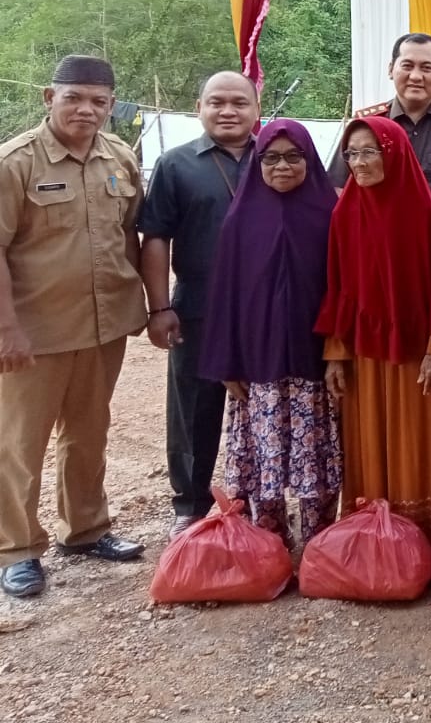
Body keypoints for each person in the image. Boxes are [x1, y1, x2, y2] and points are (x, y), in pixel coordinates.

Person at [0, 57, 147, 599]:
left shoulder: (120, 158)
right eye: (74, 98)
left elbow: (132, 233)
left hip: (102, 324)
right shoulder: (15, 162)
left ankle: (85, 529)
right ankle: (17, 549)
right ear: (48, 97)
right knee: (20, 442)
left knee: (89, 432)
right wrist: (6, 329)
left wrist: (144, 304)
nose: (86, 109)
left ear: (111, 105)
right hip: (33, 333)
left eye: (98, 101)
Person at [199, 120, 341, 547]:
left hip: (313, 362)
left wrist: (338, 351)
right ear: (257, 162)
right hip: (258, 367)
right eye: (271, 157)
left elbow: (343, 287)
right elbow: (224, 297)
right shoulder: (240, 220)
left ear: (310, 160)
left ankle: (319, 542)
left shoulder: (330, 215)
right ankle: (270, 542)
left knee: (317, 458)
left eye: (293, 157)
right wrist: (228, 363)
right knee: (264, 458)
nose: (282, 166)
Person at [138, 71, 260, 538]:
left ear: (255, 109)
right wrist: (159, 306)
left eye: (238, 103)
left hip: (263, 309)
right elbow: (156, 239)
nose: (228, 111)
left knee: (262, 404)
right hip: (200, 305)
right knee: (194, 408)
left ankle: (257, 501)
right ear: (199, 107)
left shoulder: (277, 157)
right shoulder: (175, 165)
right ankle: (189, 504)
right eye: (217, 102)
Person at [317, 117, 431, 548]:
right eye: (351, 154)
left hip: (413, 351)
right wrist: (335, 352)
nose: (358, 162)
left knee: (416, 443)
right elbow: (336, 287)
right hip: (364, 352)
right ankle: (371, 535)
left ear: (392, 154)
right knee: (369, 442)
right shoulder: (344, 213)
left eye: (369, 151)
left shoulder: (421, 211)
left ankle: (420, 539)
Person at [335, 33, 431, 236]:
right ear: (390, 69)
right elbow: (338, 189)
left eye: (426, 68)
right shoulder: (364, 127)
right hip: (378, 248)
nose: (415, 76)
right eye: (407, 65)